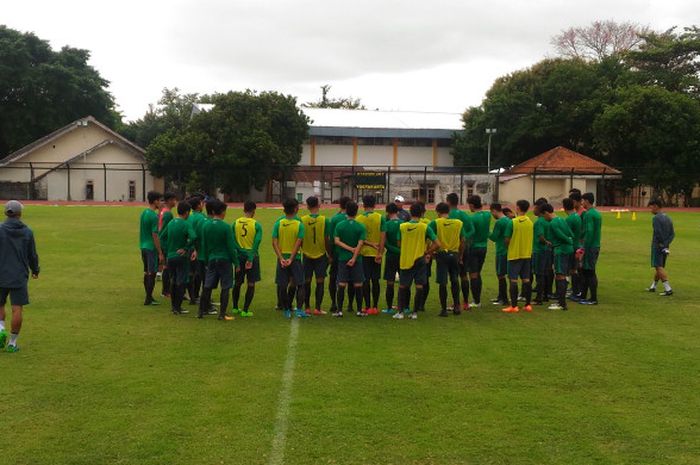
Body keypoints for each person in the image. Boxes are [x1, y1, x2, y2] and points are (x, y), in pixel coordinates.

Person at [0, 201, 39, 353]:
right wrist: (35, 270)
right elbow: (32, 255)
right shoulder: (27, 232)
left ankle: (1, 329)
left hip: (1, 273)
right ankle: (12, 343)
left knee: (0, 305)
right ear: (20, 213)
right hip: (18, 275)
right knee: (17, 309)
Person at [395, 203, 441, 320]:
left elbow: (399, 243)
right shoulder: (424, 227)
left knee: (403, 286)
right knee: (419, 286)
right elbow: (438, 244)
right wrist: (427, 252)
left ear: (410, 213)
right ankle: (415, 312)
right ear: (421, 214)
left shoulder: (402, 226)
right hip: (420, 259)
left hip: (406, 258)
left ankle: (400, 312)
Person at [199, 200, 239, 320]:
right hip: (225, 259)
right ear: (222, 212)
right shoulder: (226, 227)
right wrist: (236, 263)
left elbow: (204, 245)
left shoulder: (206, 226)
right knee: (225, 286)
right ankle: (222, 314)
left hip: (211, 258)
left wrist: (206, 260)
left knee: (207, 285)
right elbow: (231, 247)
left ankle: (201, 311)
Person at [272, 198, 307, 319]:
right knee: (301, 284)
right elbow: (298, 243)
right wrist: (292, 258)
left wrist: (281, 258)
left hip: (282, 258)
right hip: (295, 258)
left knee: (282, 285)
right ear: (296, 209)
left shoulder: (278, 223)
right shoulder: (299, 224)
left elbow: (274, 243)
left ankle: (286, 309)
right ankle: (299, 310)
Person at [160, 201, 197, 315]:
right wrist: (186, 248)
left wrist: (167, 249)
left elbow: (162, 236)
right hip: (181, 257)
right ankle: (178, 307)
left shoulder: (171, 223)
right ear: (186, 212)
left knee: (173, 280)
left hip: (170, 256)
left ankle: (173, 307)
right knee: (181, 281)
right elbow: (194, 237)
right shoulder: (186, 224)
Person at [429, 202, 464, 317]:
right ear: (448, 211)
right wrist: (460, 255)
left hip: (442, 255)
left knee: (442, 282)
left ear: (438, 212)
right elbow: (463, 240)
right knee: (455, 279)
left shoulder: (436, 223)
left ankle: (444, 309)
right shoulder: (458, 223)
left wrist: (429, 252)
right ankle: (457, 306)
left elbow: (430, 237)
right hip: (454, 254)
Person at [333, 201, 367, 317]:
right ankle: (358, 310)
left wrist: (349, 249)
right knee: (358, 284)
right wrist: (354, 256)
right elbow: (360, 244)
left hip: (343, 258)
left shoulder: (340, 225)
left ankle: (339, 310)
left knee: (342, 283)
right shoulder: (360, 226)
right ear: (357, 212)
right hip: (357, 260)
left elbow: (336, 241)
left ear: (346, 211)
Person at [232, 200, 263, 317]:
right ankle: (245, 310)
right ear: (254, 211)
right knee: (251, 283)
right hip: (252, 257)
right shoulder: (256, 225)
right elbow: (257, 242)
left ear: (243, 209)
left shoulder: (235, 223)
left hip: (239, 256)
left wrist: (240, 250)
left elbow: (232, 240)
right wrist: (250, 257)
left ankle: (235, 307)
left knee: (238, 282)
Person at [541, 203, 574, 311]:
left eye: (543, 215)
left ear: (546, 213)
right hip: (568, 249)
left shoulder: (553, 223)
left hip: (560, 250)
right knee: (563, 274)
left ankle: (561, 303)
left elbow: (560, 235)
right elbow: (570, 233)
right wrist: (570, 241)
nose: (544, 218)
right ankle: (561, 301)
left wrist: (562, 241)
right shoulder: (562, 219)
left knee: (560, 275)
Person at [502, 200, 533, 313]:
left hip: (515, 254)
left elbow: (506, 239)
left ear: (518, 208)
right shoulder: (530, 222)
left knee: (513, 280)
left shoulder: (512, 222)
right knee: (526, 279)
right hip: (526, 254)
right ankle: (528, 304)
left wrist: (508, 246)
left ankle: (514, 306)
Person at [301, 196, 331, 315]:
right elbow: (326, 239)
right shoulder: (325, 220)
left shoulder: (302, 220)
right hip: (321, 254)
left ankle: (307, 307)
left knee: (306, 282)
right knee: (320, 282)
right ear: (319, 205)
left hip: (307, 254)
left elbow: (300, 238)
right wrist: (329, 254)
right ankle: (318, 308)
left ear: (307, 206)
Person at [356, 195, 386, 315]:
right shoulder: (380, 218)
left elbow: (360, 239)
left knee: (365, 280)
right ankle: (375, 306)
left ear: (363, 204)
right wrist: (380, 253)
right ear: (375, 204)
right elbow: (383, 237)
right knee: (375, 280)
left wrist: (369, 244)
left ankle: (367, 306)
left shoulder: (359, 219)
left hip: (364, 254)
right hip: (376, 254)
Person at [446, 192, 474, 310]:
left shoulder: (446, 215)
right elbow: (472, 230)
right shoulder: (464, 214)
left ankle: (455, 303)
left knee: (453, 277)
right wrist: (464, 238)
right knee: (464, 275)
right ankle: (466, 302)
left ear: (448, 202)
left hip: (453, 248)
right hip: (465, 247)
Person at [139, 191, 164, 306]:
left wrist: (159, 213)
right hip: (151, 248)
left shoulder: (144, 213)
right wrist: (160, 252)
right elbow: (155, 234)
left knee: (146, 272)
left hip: (143, 246)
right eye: (159, 200)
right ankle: (148, 298)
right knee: (152, 273)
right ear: (155, 201)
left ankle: (148, 296)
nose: (161, 202)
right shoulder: (153, 216)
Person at [328, 196, 351, 314]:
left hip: (337, 253)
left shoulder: (335, 218)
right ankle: (351, 305)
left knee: (333, 278)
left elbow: (331, 239)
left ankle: (334, 303)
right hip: (351, 253)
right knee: (351, 278)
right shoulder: (355, 219)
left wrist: (330, 255)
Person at [467, 195, 491, 308]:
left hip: (474, 247)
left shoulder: (472, 218)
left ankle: (476, 301)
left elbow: (471, 233)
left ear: (472, 205)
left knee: (473, 274)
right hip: (484, 246)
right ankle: (477, 299)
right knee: (478, 273)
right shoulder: (487, 215)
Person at [579, 192, 602, 305]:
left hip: (590, 246)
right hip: (595, 245)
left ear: (587, 201)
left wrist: (583, 248)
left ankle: (593, 298)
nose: (581, 203)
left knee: (589, 271)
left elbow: (589, 231)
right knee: (587, 271)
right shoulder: (596, 213)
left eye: (582, 201)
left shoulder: (588, 214)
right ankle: (584, 295)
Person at [648, 198, 674, 296]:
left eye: (651, 208)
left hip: (658, 246)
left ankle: (668, 288)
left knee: (658, 266)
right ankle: (653, 286)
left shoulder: (656, 218)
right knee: (660, 266)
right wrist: (666, 244)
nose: (650, 210)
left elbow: (658, 233)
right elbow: (672, 234)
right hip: (665, 246)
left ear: (656, 206)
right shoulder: (668, 217)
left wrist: (661, 244)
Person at [488, 203, 511, 305]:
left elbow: (494, 237)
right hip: (508, 250)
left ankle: (504, 299)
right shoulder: (509, 220)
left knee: (500, 275)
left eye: (491, 212)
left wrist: (486, 231)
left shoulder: (499, 222)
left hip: (501, 251)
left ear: (494, 210)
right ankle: (500, 296)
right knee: (503, 274)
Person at [382, 203, 402, 314]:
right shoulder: (403, 224)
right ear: (397, 211)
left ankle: (389, 308)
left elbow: (384, 242)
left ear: (387, 212)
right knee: (403, 282)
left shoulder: (386, 224)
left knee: (390, 282)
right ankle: (404, 306)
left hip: (390, 255)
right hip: (402, 255)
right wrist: (400, 251)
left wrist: (393, 250)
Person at [186, 196, 207, 305]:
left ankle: (192, 296)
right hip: (197, 249)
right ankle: (197, 296)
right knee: (198, 273)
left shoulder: (189, 216)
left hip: (188, 247)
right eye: (201, 203)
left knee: (190, 273)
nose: (203, 204)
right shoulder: (201, 217)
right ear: (198, 205)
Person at [532, 198, 551, 305]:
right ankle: (545, 295)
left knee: (539, 274)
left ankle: (539, 298)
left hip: (539, 250)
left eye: (535, 207)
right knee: (545, 273)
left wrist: (545, 242)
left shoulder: (540, 221)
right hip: (547, 251)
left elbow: (540, 237)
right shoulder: (548, 220)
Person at [159, 191, 178, 298]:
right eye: (174, 200)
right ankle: (166, 291)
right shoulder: (168, 214)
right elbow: (166, 230)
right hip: (165, 243)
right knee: (167, 267)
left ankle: (166, 290)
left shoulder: (163, 211)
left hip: (163, 241)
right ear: (170, 200)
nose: (175, 202)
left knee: (166, 266)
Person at [563, 198, 582, 300]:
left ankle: (574, 291)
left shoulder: (569, 219)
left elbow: (567, 234)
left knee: (570, 270)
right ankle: (577, 291)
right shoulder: (577, 216)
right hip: (577, 245)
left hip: (572, 246)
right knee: (574, 269)